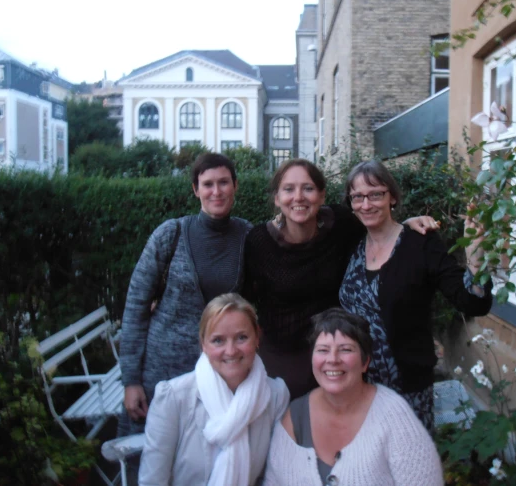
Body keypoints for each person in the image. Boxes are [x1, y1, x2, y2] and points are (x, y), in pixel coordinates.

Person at [243, 159, 438, 399]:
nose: (299, 197)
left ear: (322, 195)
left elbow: (379, 230)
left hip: (334, 352)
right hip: (282, 356)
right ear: (276, 198)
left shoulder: (341, 224)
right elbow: (245, 299)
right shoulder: (259, 241)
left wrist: (406, 226)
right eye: (288, 189)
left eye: (308, 188)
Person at [339, 160, 493, 430]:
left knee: (409, 467)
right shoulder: (350, 243)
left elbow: (472, 301)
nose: (366, 204)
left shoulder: (421, 244)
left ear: (393, 198)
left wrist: (476, 257)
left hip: (406, 391)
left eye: (376, 194)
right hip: (355, 387)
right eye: (357, 197)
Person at [118, 154, 251, 456]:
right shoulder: (171, 234)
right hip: (163, 371)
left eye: (223, 182)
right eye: (207, 184)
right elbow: (136, 306)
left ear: (235, 186)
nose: (216, 191)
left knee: (207, 459)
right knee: (155, 458)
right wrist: (131, 381)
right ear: (196, 189)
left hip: (221, 372)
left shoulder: (248, 236)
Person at [263, 308, 443, 486]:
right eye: (323, 350)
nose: (332, 359)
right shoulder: (295, 417)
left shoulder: (394, 416)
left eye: (346, 349)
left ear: (365, 362)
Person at [140, 293, 289, 486]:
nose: (231, 350)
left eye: (241, 337)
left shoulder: (276, 395)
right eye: (218, 340)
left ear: (257, 338)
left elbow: (274, 477)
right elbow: (152, 481)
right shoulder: (173, 398)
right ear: (203, 344)